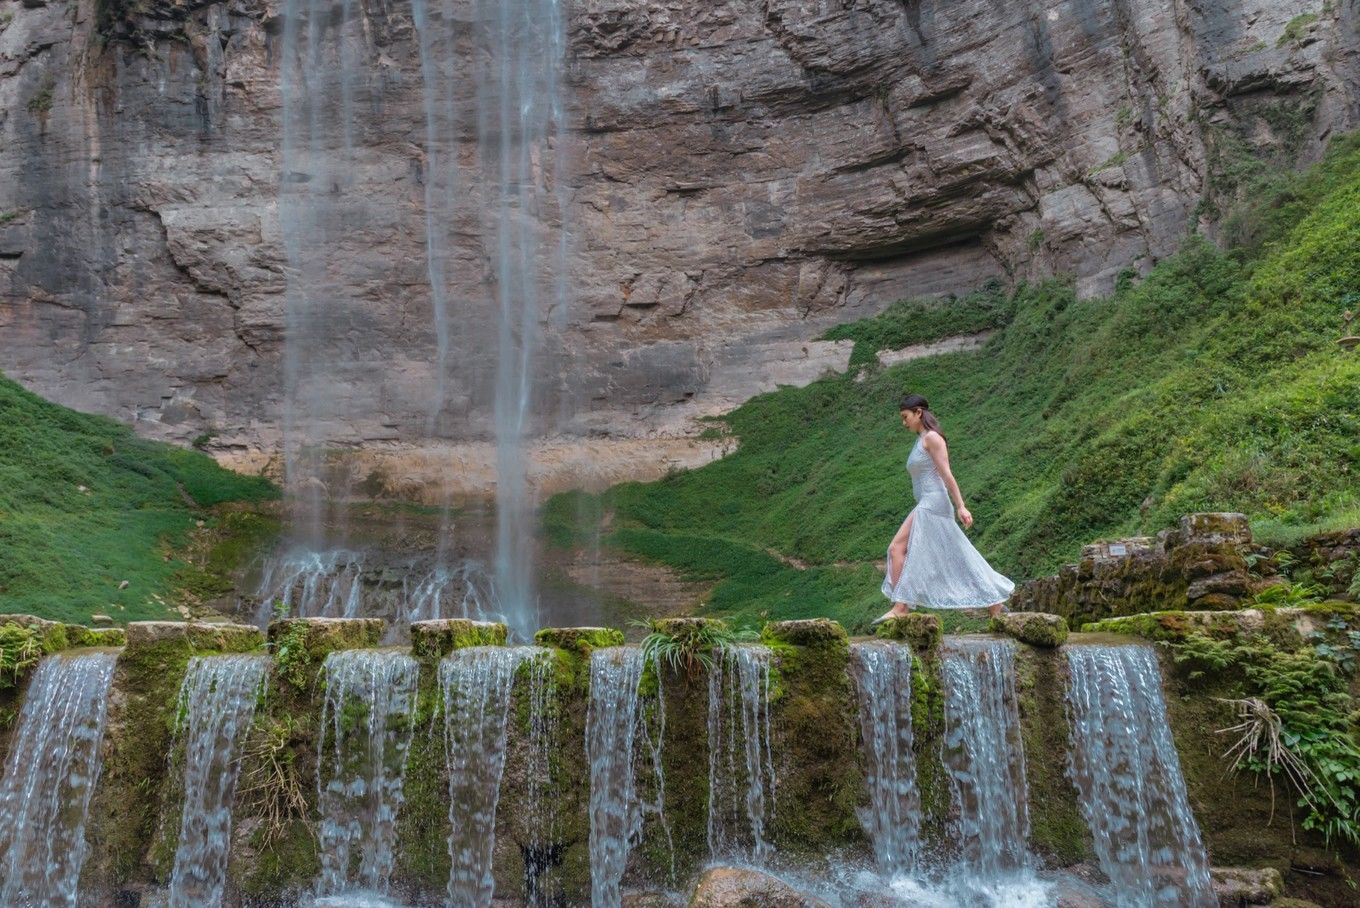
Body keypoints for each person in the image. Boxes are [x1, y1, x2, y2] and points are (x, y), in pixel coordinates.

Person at [875, 393, 1014, 623]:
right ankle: (995, 604)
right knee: (958, 554)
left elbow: (946, 473)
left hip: (933, 502)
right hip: (927, 503)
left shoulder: (932, 438)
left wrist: (961, 506)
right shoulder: (920, 440)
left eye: (905, 416)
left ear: (918, 413)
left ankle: (900, 608)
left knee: (896, 549)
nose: (904, 422)